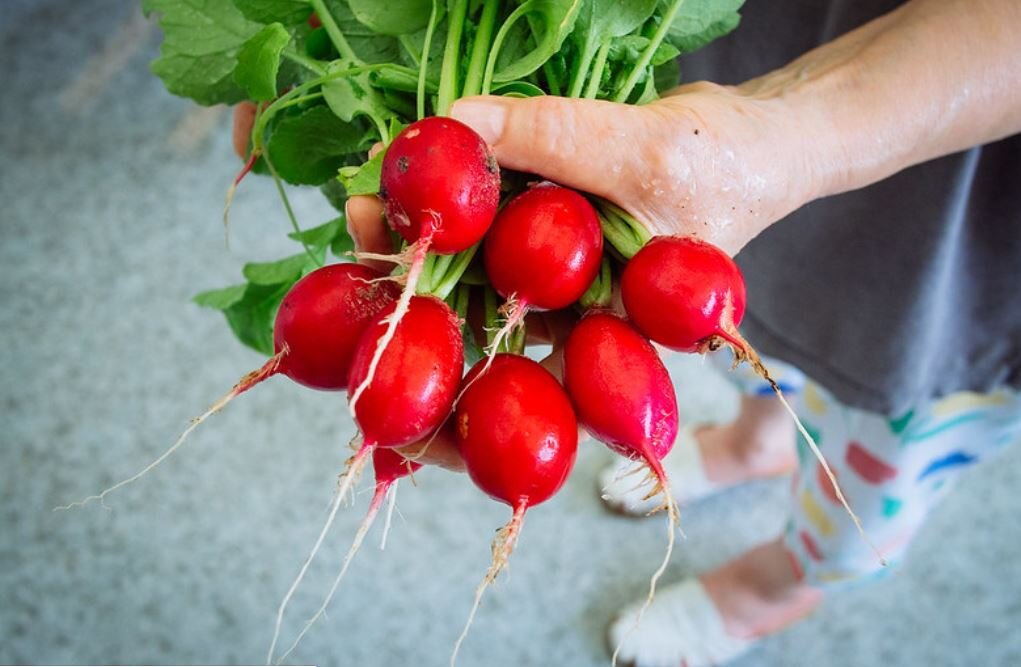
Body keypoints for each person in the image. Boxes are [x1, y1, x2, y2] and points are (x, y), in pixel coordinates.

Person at [347, 0, 1021, 665]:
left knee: (885, 451)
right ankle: (753, 443)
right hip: (744, 128)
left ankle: (781, 584)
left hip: (966, 241)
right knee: (750, 345)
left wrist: (792, 132)